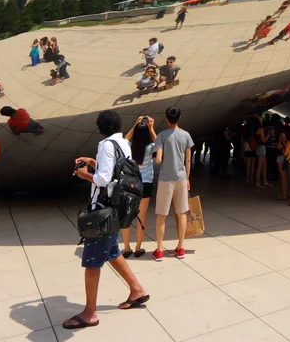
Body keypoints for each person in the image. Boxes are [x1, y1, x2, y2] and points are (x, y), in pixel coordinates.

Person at [63, 110, 148, 329]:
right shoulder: (122, 143)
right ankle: (137, 289)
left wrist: (84, 174)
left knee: (92, 263)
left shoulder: (106, 145)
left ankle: (89, 313)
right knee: (112, 253)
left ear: (100, 129)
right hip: (118, 209)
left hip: (104, 212)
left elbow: (103, 179)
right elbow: (117, 170)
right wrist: (93, 161)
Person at [153, 106, 194, 261]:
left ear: (166, 118)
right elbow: (188, 160)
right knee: (181, 212)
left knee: (161, 215)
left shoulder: (162, 136)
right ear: (179, 118)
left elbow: (158, 159)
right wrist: (187, 178)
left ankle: (159, 250)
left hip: (165, 179)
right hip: (181, 177)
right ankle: (181, 247)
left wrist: (160, 159)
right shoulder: (186, 136)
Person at [121, 116, 156, 258]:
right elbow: (158, 142)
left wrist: (135, 124)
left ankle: (127, 248)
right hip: (145, 184)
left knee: (127, 216)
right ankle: (138, 247)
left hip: (131, 183)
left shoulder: (129, 147)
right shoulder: (149, 148)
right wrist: (151, 127)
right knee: (142, 217)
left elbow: (125, 139)